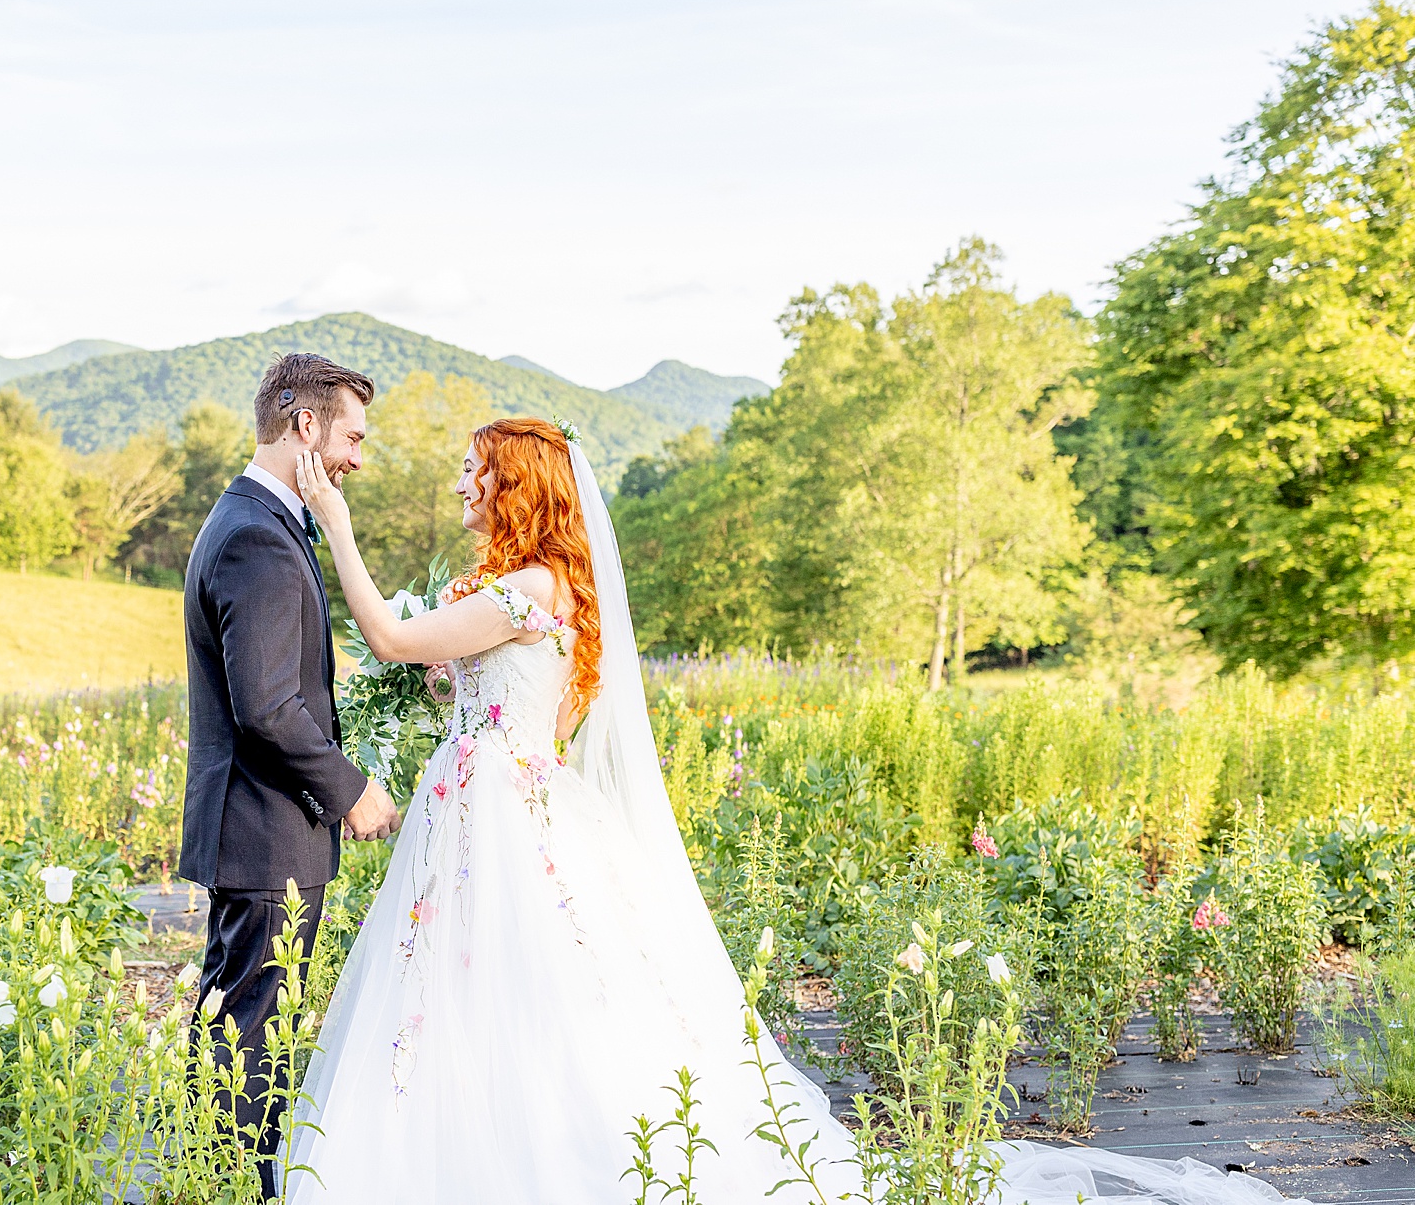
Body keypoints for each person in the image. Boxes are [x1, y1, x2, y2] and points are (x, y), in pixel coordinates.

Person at [286, 415, 1296, 1204]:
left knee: (507, 994)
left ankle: (517, 1152)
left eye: (476, 468)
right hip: (491, 810)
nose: (462, 482)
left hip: (496, 816)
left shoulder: (520, 591)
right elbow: (463, 685)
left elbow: (384, 635)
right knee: (496, 992)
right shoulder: (526, 588)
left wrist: (335, 521)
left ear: (515, 487)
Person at [178, 351, 401, 1201]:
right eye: (351, 435)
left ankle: (217, 1182)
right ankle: (237, 1191)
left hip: (256, 828)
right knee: (250, 1042)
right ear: (303, 425)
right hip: (267, 830)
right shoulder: (256, 541)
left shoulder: (253, 521)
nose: (355, 456)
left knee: (236, 1031)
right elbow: (268, 706)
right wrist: (352, 788)